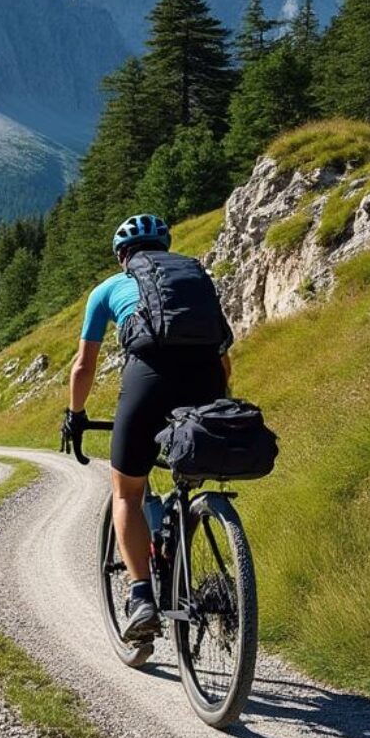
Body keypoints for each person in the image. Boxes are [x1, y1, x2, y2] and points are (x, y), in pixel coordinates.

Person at [60, 214, 233, 641]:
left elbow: (84, 366)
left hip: (149, 381)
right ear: (166, 248)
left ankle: (141, 598)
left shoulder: (107, 290)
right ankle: (197, 531)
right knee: (185, 477)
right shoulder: (194, 279)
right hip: (208, 380)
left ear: (124, 257)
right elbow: (224, 356)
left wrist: (75, 414)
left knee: (128, 493)